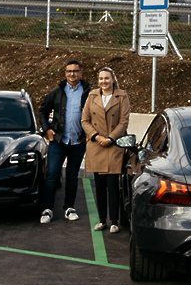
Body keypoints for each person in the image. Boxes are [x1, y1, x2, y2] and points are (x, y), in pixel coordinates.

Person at [37, 60, 91, 224]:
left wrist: (89, 134)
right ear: (65, 73)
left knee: (72, 177)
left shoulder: (88, 93)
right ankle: (47, 209)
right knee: (52, 175)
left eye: (75, 71)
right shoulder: (57, 92)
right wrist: (47, 129)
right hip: (58, 141)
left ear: (81, 73)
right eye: (69, 71)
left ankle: (69, 207)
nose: (72, 74)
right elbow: (42, 111)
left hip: (78, 141)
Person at [80, 67, 130, 234]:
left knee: (113, 185)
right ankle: (102, 220)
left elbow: (123, 122)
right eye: (101, 78)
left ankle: (114, 221)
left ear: (113, 79)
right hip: (96, 145)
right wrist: (96, 137)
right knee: (99, 186)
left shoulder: (122, 95)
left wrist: (110, 138)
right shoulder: (92, 95)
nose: (103, 81)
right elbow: (84, 120)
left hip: (114, 145)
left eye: (107, 78)